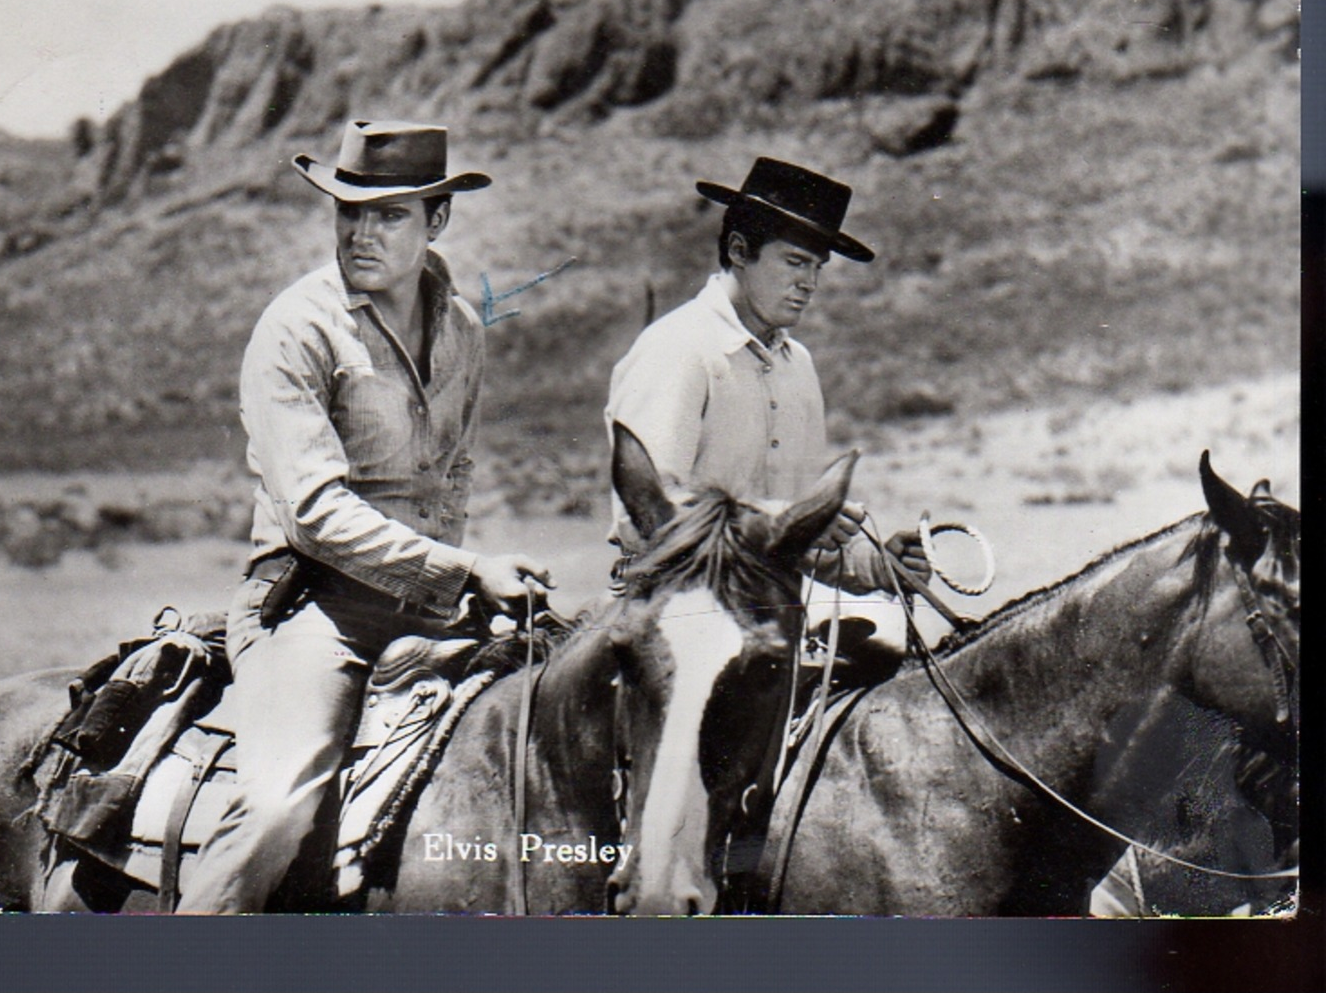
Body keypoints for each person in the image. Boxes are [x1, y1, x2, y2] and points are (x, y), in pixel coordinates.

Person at [178, 120, 552, 913]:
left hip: (429, 603)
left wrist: (468, 586)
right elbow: (313, 513)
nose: (361, 231)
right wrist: (461, 569)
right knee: (279, 803)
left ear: (435, 222)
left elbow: (451, 474)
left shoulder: (463, 331)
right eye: (349, 212)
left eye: (388, 215)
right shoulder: (296, 328)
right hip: (312, 608)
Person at [605, 156, 929, 640]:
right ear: (739, 250)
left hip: (771, 628)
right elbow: (645, 523)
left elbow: (796, 536)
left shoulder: (798, 365)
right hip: (676, 629)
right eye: (795, 262)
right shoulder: (678, 348)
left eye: (817, 268)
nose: (809, 284)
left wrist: (876, 564)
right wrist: (784, 520)